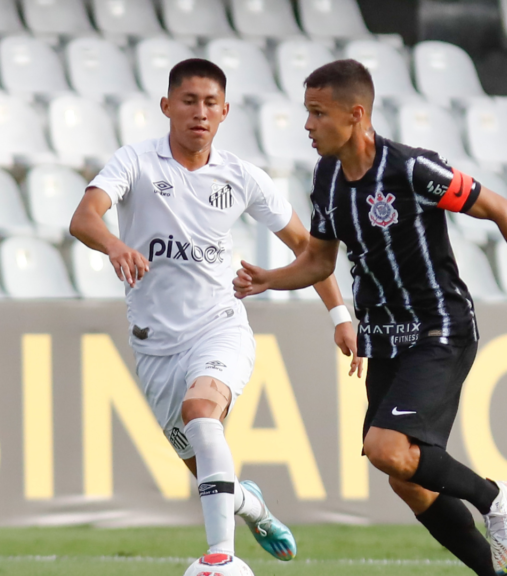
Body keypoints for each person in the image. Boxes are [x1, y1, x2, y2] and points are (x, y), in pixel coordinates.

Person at [232, 60, 507, 576]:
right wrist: (268, 280)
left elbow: (501, 208)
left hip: (440, 327)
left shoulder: (412, 171)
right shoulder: (326, 179)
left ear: (356, 114)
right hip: (384, 339)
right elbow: (321, 262)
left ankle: (496, 496)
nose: (307, 125)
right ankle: (502, 573)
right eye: (307, 113)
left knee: (386, 447)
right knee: (406, 478)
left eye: (317, 113)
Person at [69, 59, 363, 562]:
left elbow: (308, 249)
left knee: (202, 414)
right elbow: (84, 216)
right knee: (207, 472)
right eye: (188, 101)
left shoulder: (242, 177)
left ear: (225, 112)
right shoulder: (135, 162)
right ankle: (250, 504)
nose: (199, 113)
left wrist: (340, 316)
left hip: (218, 326)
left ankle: (219, 560)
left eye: (210, 103)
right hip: (155, 346)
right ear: (167, 107)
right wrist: (117, 247)